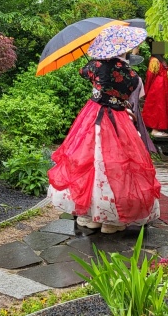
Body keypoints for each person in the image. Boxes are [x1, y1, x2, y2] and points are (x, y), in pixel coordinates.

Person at [47, 25, 160, 234]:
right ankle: (113, 219)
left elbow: (83, 72)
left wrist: (91, 63)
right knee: (118, 165)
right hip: (119, 119)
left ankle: (92, 215)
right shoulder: (133, 75)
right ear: (124, 48)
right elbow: (135, 94)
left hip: (93, 115)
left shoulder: (95, 65)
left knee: (90, 161)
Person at [142, 47, 168, 137]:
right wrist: (147, 90)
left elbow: (150, 76)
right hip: (158, 87)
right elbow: (150, 76)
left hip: (161, 87)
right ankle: (155, 130)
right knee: (158, 107)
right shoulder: (156, 60)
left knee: (160, 107)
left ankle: (157, 129)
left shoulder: (157, 60)